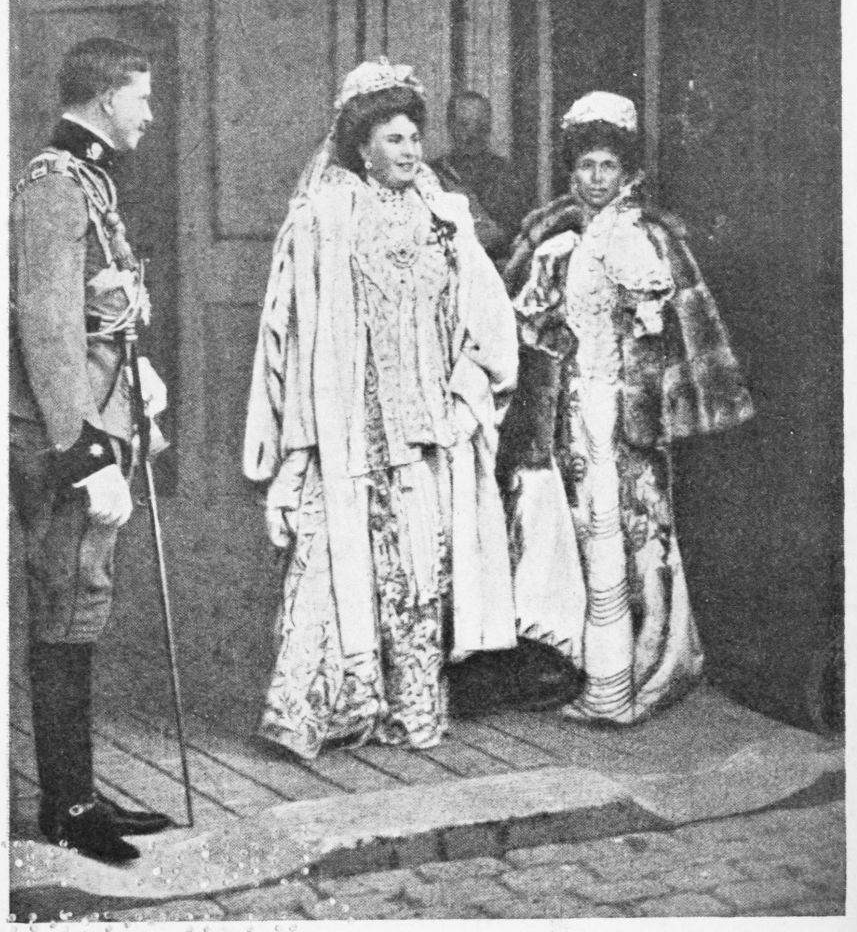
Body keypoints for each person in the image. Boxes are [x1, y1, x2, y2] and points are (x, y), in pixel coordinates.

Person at [242, 58, 519, 760]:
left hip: (423, 423)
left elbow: (485, 315)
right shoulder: (325, 217)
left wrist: (466, 393)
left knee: (417, 567)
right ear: (361, 145)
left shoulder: (444, 214)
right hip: (349, 423)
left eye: (414, 138)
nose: (410, 151)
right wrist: (301, 439)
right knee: (331, 560)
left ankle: (414, 707)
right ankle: (329, 710)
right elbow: (293, 330)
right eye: (393, 139)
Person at [497, 91, 754, 725]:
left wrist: (640, 350)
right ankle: (573, 668)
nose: (595, 178)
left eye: (608, 166)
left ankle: (643, 666)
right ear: (570, 170)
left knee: (639, 530)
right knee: (571, 528)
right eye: (585, 165)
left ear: (627, 171)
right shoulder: (547, 232)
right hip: (565, 406)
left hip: (627, 410)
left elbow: (680, 333)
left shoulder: (652, 237)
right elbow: (519, 322)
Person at [10, 37, 173, 862]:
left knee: (82, 600)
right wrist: (85, 454)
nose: (150, 113)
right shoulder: (54, 186)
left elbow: (90, 314)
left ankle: (76, 794)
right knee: (67, 604)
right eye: (142, 97)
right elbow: (45, 330)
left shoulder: (88, 180)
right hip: (63, 433)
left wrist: (136, 369)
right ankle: (68, 808)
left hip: (96, 414)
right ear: (107, 98)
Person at [430, 91, 528, 264]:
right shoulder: (431, 175)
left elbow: (520, 235)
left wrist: (497, 236)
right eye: (464, 125)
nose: (472, 134)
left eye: (481, 126)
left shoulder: (508, 174)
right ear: (450, 127)